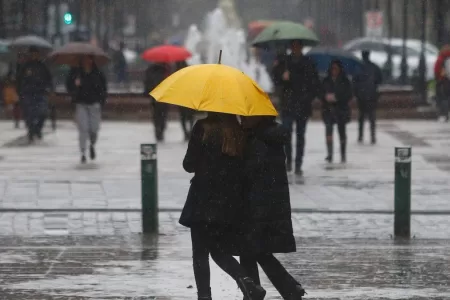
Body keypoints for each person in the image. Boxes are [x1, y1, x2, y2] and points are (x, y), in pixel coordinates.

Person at [179, 113, 266, 300]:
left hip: (202, 198)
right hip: (229, 201)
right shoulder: (238, 130)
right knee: (219, 250)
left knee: (200, 252)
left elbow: (189, 164)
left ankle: (204, 295)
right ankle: (245, 280)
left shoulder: (203, 127)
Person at [239, 116, 306, 300]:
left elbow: (250, 170)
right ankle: (284, 288)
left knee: (251, 247)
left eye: (245, 117)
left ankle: (260, 290)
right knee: (254, 248)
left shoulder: (260, 139)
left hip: (258, 203)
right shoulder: (268, 135)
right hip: (269, 202)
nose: (242, 120)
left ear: (257, 119)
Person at [272, 40, 320, 176]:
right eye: (293, 46)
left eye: (297, 46)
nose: (295, 48)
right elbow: (275, 79)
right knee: (286, 133)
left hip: (302, 105)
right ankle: (289, 161)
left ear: (301, 47)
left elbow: (313, 82)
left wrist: (307, 96)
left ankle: (298, 163)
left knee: (300, 136)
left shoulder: (308, 62)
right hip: (288, 104)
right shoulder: (284, 62)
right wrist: (281, 75)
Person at [66, 56, 107, 164]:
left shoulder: (98, 73)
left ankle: (92, 144)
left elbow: (103, 89)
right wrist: (75, 85)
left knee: (94, 129)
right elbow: (69, 86)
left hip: (94, 104)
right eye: (84, 60)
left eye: (89, 59)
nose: (87, 62)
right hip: (81, 104)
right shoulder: (76, 73)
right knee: (83, 129)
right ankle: (83, 152)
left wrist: (101, 101)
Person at [16, 47, 53, 143]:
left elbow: (49, 79)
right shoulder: (25, 66)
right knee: (29, 114)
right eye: (32, 54)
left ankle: (38, 129)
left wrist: (49, 88)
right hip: (27, 93)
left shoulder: (42, 66)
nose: (34, 56)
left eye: (35, 54)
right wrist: (20, 92)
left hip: (41, 92)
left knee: (43, 112)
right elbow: (19, 79)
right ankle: (31, 130)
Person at [321, 60, 353, 163]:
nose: (334, 71)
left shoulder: (345, 80)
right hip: (328, 109)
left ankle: (343, 154)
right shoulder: (326, 80)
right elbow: (320, 92)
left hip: (341, 109)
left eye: (336, 68)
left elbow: (349, 94)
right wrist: (325, 97)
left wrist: (338, 98)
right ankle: (330, 154)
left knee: (342, 132)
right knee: (329, 131)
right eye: (333, 68)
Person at [353, 50, 382, 144]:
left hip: (361, 95)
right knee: (372, 117)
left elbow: (354, 81)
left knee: (361, 116)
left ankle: (360, 136)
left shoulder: (358, 67)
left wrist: (356, 92)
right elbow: (380, 79)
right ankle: (372, 136)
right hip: (371, 95)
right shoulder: (374, 67)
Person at [144, 63, 170, 142]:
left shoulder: (150, 73)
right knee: (162, 115)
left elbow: (147, 85)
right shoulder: (165, 73)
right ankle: (160, 130)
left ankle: (157, 130)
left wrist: (147, 93)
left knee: (156, 115)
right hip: (164, 98)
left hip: (154, 98)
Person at [175, 61, 195, 140]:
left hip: (182, 99)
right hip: (190, 98)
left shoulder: (178, 73)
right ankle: (189, 131)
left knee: (183, 117)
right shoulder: (190, 71)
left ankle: (186, 132)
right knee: (190, 117)